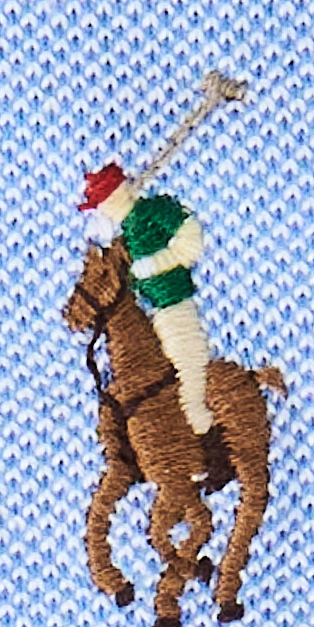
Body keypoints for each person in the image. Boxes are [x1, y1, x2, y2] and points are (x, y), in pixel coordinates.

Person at [80, 162, 214, 435]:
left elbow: (189, 231)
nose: (103, 210)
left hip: (173, 296)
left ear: (117, 194)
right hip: (152, 307)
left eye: (103, 202)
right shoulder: (127, 231)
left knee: (183, 349)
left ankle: (196, 410)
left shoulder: (152, 211)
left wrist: (167, 263)